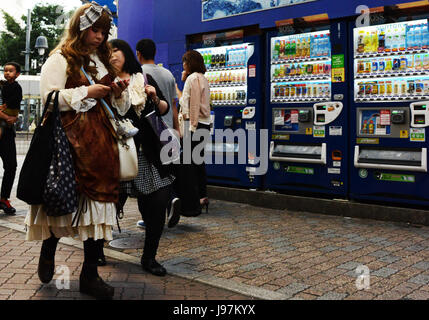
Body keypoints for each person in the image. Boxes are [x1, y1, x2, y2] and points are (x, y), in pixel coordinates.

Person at [24, 3, 129, 300]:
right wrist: (87, 91)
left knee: (99, 210)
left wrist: (117, 94)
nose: (99, 36)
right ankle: (49, 247)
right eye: (94, 29)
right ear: (80, 27)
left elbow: (117, 109)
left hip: (102, 146)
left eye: (103, 31)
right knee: (63, 202)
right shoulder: (59, 59)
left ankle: (90, 275)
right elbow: (50, 98)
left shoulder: (103, 61)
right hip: (68, 145)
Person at [110, 39, 174, 277]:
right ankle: (94, 250)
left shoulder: (142, 77)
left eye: (115, 49)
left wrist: (155, 97)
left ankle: (149, 257)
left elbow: (164, 108)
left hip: (146, 152)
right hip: (116, 153)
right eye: (108, 52)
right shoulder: (104, 81)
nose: (112, 54)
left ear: (127, 53)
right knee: (108, 204)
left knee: (158, 201)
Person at [135, 38, 181, 229]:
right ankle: (170, 200)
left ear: (138, 54)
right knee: (166, 172)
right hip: (168, 129)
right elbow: (173, 104)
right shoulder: (168, 73)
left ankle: (152, 216)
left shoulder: (140, 74)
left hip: (152, 132)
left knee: (150, 175)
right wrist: (177, 128)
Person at [168, 50, 211, 228]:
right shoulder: (201, 78)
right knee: (198, 162)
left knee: (188, 164)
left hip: (193, 124)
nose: (183, 64)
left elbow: (190, 105)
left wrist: (189, 128)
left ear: (190, 62)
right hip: (204, 124)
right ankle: (202, 196)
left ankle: (192, 201)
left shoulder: (193, 78)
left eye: (185, 61)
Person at [0, 62, 22, 215]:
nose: (7, 73)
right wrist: (6, 116)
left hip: (7, 132)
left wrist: (12, 118)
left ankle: (3, 199)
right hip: (4, 124)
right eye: (5, 70)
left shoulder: (16, 87)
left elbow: (15, 106)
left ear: (17, 74)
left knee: (11, 166)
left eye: (10, 71)